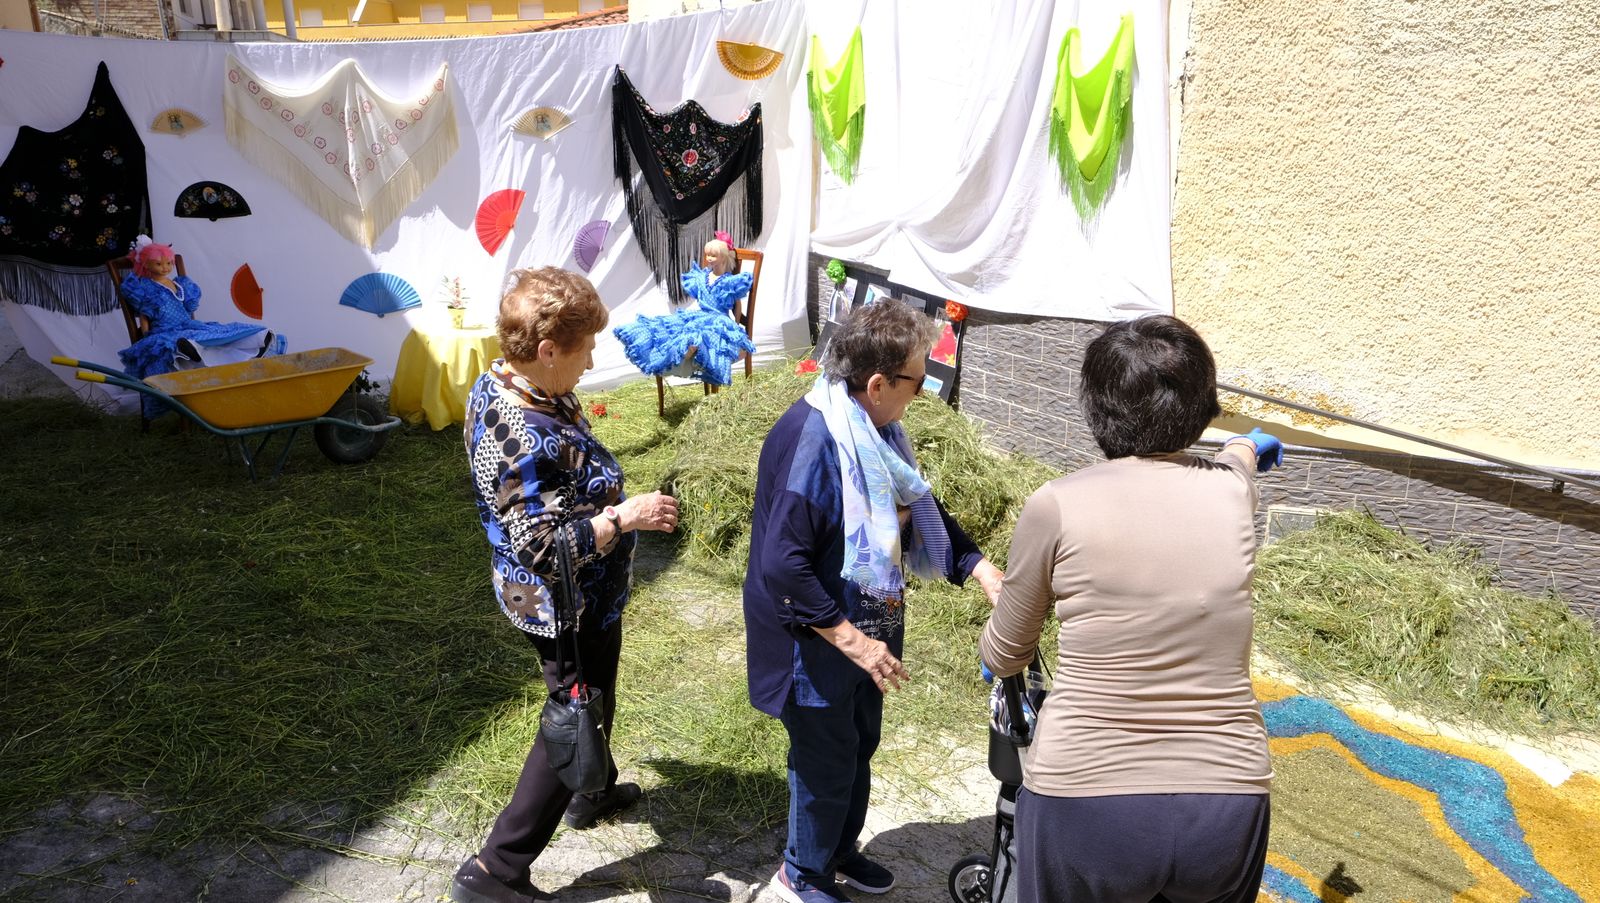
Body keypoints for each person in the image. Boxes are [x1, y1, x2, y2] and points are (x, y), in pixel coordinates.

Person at [979, 314, 1284, 903]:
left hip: (1086, 799)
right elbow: (1240, 464)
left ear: (1097, 411)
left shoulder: (1056, 504)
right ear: (1202, 408)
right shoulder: (1234, 495)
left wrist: (992, 645)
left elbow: (1008, 650)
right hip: (1225, 801)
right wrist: (1248, 443)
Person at [744, 298, 1006, 903]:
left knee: (859, 743)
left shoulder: (875, 431)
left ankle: (838, 852)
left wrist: (977, 567)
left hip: (865, 621)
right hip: (815, 634)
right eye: (918, 379)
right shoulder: (815, 441)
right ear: (879, 382)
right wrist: (854, 642)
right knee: (825, 759)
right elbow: (782, 564)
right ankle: (800, 873)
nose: (923, 391)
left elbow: (919, 506)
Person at [453, 267, 680, 903]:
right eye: (584, 349)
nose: (592, 359)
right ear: (549, 350)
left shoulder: (512, 381)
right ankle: (495, 870)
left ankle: (593, 790)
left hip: (587, 595)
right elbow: (540, 545)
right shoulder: (523, 429)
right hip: (562, 602)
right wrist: (621, 516)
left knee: (596, 691)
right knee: (574, 714)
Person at [115, 235, 283, 383]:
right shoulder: (146, 288)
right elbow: (145, 313)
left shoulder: (180, 284)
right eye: (158, 264)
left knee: (220, 332)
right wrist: (146, 335)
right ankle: (189, 350)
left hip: (187, 324)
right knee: (183, 340)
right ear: (146, 264)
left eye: (168, 263)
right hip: (164, 329)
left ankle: (258, 340)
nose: (165, 268)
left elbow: (189, 306)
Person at [612, 231, 756, 386]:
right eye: (707, 255)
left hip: (719, 318)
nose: (709, 259)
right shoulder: (701, 277)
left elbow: (737, 304)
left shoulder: (729, 282)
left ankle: (691, 350)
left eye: (713, 256)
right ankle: (671, 352)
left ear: (723, 257)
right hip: (701, 316)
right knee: (668, 326)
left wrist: (736, 323)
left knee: (705, 336)